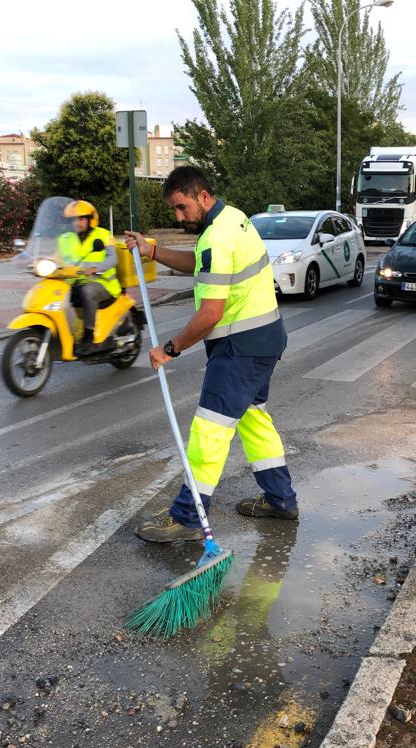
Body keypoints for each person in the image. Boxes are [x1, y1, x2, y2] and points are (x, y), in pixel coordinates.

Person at [124, 166, 299, 543]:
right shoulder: (233, 220)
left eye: (182, 207)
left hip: (241, 348)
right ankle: (281, 501)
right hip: (264, 339)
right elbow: (200, 265)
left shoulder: (217, 237)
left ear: (202, 196)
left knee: (209, 432)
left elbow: (210, 314)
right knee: (255, 423)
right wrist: (152, 250)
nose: (178, 216)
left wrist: (170, 349)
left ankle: (188, 516)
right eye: (175, 210)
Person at [58, 200, 120, 355]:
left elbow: (113, 259)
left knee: (88, 291)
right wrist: (39, 263)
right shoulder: (65, 239)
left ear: (91, 219)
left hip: (103, 284)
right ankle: (64, 333)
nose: (77, 223)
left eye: (81, 219)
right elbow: (55, 258)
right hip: (74, 284)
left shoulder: (104, 235)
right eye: (73, 219)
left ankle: (89, 335)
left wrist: (95, 268)